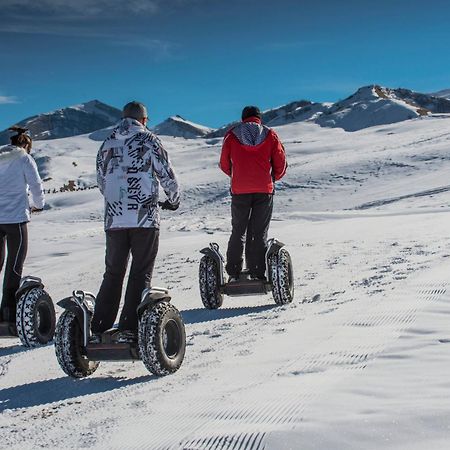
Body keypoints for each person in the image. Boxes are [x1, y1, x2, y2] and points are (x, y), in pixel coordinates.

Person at [91, 101, 180, 343]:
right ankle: (129, 329)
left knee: (113, 272)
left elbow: (101, 180)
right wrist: (174, 199)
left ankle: (98, 329)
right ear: (143, 120)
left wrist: (116, 202)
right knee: (140, 271)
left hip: (115, 220)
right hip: (145, 219)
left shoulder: (106, 142)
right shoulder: (149, 139)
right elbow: (166, 173)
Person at [219, 106, 287, 281]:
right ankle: (257, 271)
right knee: (259, 231)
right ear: (259, 118)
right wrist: (272, 178)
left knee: (238, 230)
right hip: (264, 190)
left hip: (240, 190)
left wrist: (238, 176)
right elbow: (280, 162)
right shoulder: (270, 134)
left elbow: (224, 164)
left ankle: (234, 271)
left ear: (243, 118)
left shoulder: (232, 135)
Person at [0, 127, 45, 329]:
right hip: (15, 219)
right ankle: (8, 313)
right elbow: (35, 184)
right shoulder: (24, 158)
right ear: (25, 144)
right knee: (14, 265)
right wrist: (39, 204)